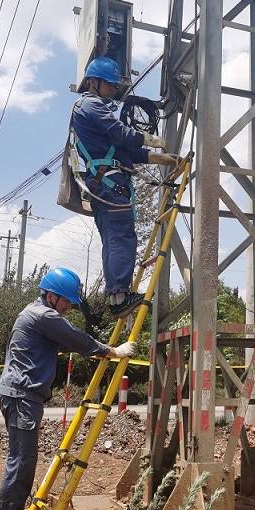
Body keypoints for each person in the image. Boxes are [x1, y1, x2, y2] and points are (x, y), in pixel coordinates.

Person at [0, 267, 137, 510]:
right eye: (67, 301)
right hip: (23, 396)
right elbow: (76, 338)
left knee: (19, 461)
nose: (69, 306)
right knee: (21, 463)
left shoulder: (35, 313)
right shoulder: (45, 315)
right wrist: (112, 350)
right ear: (51, 295)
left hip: (20, 394)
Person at [72, 55, 179, 318]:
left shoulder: (93, 109)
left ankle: (117, 294)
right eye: (108, 84)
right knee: (121, 238)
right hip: (109, 183)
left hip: (106, 182)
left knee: (114, 239)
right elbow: (121, 135)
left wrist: (156, 157)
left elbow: (121, 150)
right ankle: (119, 295)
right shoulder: (90, 106)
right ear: (93, 82)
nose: (113, 90)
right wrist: (151, 139)